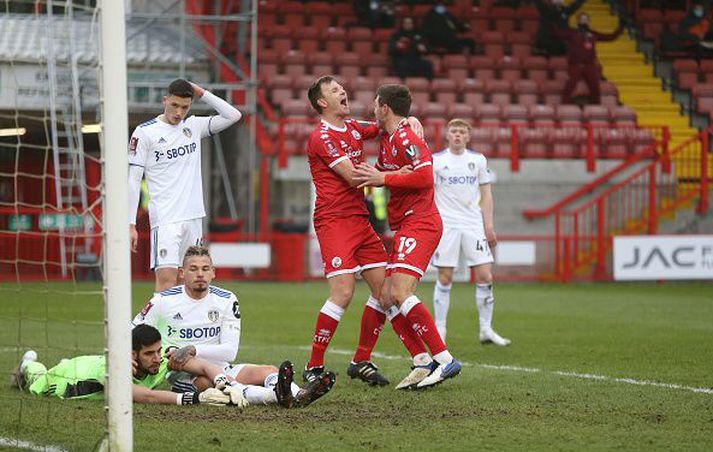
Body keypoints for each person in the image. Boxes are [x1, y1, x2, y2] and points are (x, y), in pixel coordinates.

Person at [303, 75, 432, 388]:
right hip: (333, 221)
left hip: (360, 220)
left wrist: (409, 119)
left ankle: (388, 360)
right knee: (344, 292)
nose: (342, 92)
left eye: (341, 88)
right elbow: (352, 177)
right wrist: (396, 173)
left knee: (386, 293)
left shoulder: (353, 128)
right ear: (322, 103)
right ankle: (313, 366)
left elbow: (387, 123)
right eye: (334, 90)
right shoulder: (321, 137)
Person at [353, 84, 462, 390]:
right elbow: (394, 173)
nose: (373, 109)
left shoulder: (405, 136)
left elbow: (426, 176)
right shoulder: (389, 138)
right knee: (385, 295)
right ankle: (421, 361)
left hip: (422, 223)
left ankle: (443, 359)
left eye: (376, 104)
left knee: (399, 293)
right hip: (408, 224)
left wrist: (384, 177)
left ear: (384, 107)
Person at [132, 246, 334, 407]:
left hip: (220, 366)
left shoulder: (227, 300)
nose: (200, 274)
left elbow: (230, 352)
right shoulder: (162, 301)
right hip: (182, 373)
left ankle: (299, 394)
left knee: (268, 370)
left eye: (205, 269)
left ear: (213, 273)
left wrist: (194, 348)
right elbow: (133, 330)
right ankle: (278, 396)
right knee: (212, 382)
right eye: (193, 269)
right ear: (182, 273)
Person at [128, 79, 242, 293]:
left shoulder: (193, 126)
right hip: (165, 219)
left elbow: (234, 115)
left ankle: (178, 328)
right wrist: (130, 224)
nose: (179, 112)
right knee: (167, 283)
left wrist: (202, 93)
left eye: (185, 107)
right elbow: (133, 179)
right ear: (165, 100)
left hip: (193, 217)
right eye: (174, 105)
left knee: (190, 285)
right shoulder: (145, 132)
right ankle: (156, 326)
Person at [10, 324, 248, 406]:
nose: (157, 358)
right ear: (133, 354)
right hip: (64, 381)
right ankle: (28, 366)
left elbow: (204, 366)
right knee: (36, 379)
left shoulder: (162, 358)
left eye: (158, 351)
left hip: (86, 364)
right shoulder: (115, 371)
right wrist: (195, 399)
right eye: (149, 354)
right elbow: (145, 396)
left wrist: (223, 383)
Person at [430, 119, 511, 347]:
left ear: (468, 136)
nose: (457, 135)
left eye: (462, 132)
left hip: (473, 224)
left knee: (485, 276)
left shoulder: (477, 160)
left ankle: (486, 329)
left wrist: (489, 226)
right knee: (445, 276)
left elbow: (486, 195)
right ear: (447, 135)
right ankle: (440, 328)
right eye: (454, 131)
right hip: (447, 225)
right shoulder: (437, 161)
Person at [556, 13, 625, 104]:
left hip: (590, 65)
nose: (584, 20)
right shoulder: (572, 33)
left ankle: (596, 107)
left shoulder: (593, 34)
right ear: (578, 20)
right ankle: (564, 106)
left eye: (585, 18)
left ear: (588, 20)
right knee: (570, 85)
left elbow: (611, 37)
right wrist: (553, 19)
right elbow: (557, 33)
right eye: (582, 18)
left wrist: (621, 27)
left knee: (595, 86)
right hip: (575, 65)